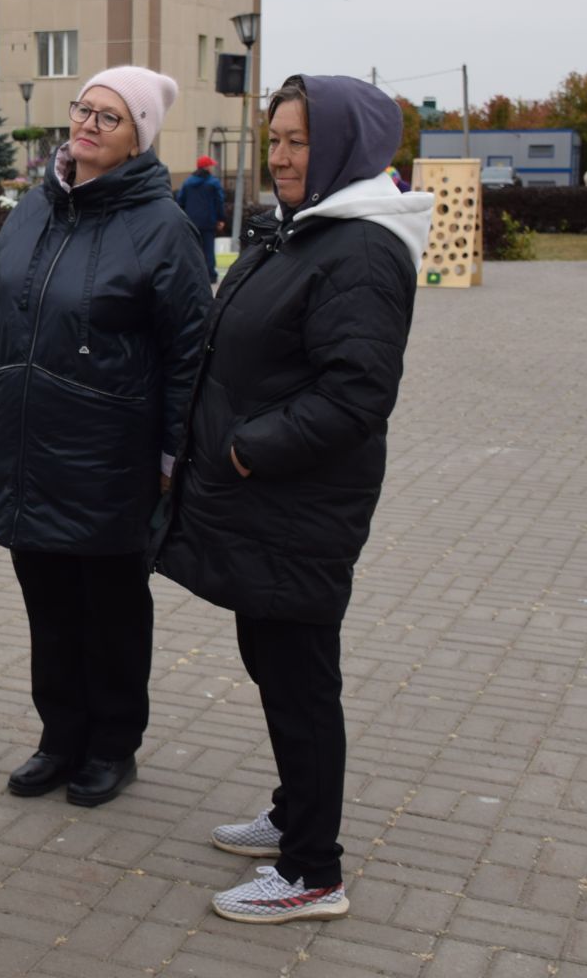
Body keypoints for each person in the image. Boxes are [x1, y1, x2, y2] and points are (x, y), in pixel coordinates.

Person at [156, 74, 433, 925]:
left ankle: (314, 870)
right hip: (268, 506)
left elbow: (355, 395)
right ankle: (292, 816)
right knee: (278, 671)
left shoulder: (361, 250)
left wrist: (246, 448)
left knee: (302, 684)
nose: (280, 156)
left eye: (299, 141)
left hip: (297, 506)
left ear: (344, 147)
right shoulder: (306, 233)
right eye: (274, 139)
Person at [0, 65, 211, 808]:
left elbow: (192, 351)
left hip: (110, 455)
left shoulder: (163, 229)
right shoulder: (36, 211)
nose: (88, 125)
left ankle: (112, 744)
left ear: (138, 141)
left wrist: (172, 454)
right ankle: (59, 737)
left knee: (111, 607)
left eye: (109, 117)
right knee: (48, 601)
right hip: (27, 442)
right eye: (83, 110)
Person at [176, 155, 227, 283]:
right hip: (209, 222)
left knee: (193, 250)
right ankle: (210, 276)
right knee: (209, 250)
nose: (213, 168)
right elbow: (219, 202)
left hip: (191, 222)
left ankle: (194, 275)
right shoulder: (213, 183)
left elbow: (180, 201)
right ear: (206, 167)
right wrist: (221, 219)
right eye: (211, 165)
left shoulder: (188, 182)